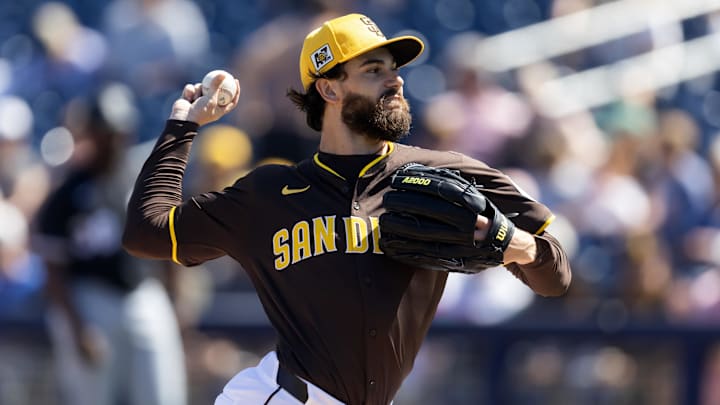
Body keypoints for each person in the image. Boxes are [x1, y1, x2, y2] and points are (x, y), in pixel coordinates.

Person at [123, 13, 572, 405]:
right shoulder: (270, 193)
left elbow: (556, 277)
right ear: (329, 88)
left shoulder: (448, 174)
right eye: (374, 69)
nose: (395, 80)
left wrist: (520, 247)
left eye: (394, 69)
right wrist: (183, 126)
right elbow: (146, 232)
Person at [34, 89, 187, 405]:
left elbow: (167, 244)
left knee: (163, 395)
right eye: (106, 132)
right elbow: (52, 269)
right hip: (91, 299)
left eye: (118, 131)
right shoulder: (69, 192)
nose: (115, 139)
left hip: (145, 295)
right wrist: (76, 327)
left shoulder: (140, 178)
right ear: (91, 134)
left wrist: (176, 300)